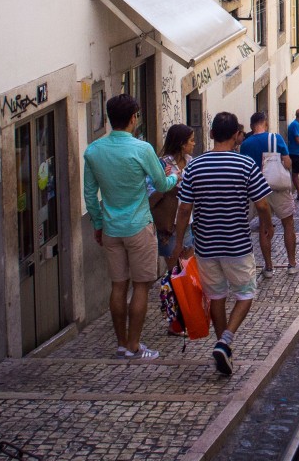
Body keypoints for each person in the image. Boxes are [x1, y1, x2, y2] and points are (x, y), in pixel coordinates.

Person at [173, 112, 272, 376]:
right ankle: (225, 341)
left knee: (216, 296)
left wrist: (178, 242)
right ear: (236, 136)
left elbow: (184, 210)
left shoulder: (194, 167)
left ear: (212, 134)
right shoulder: (245, 165)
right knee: (245, 293)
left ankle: (222, 346)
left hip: (206, 246)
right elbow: (262, 203)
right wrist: (267, 225)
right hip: (236, 245)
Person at [83, 94, 177, 360]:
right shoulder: (142, 149)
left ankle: (121, 343)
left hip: (111, 228)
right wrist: (173, 176)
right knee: (141, 286)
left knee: (118, 286)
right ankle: (134, 344)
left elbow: (90, 195)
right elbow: (161, 185)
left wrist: (98, 225)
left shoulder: (93, 151)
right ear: (134, 117)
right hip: (138, 226)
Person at [239, 112, 299, 276]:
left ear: (251, 125)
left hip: (257, 190)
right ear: (266, 123)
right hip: (277, 187)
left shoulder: (246, 144)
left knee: (264, 226)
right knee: (288, 223)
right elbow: (287, 162)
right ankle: (292, 264)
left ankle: (268, 268)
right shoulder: (275, 138)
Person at [153, 124, 197, 273]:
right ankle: (174, 295)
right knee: (174, 270)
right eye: (191, 140)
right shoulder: (162, 164)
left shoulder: (191, 163)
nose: (194, 143)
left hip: (187, 222)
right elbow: (152, 193)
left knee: (188, 266)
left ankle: (187, 296)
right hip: (168, 224)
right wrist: (165, 181)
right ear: (182, 144)